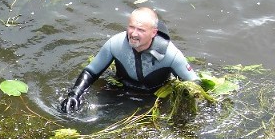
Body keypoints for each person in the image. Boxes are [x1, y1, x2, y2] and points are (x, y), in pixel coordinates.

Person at [60, 7, 199, 113]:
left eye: (141, 30)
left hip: (154, 98)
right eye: (131, 27)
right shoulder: (116, 44)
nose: (133, 34)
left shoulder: (171, 55)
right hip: (120, 89)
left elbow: (195, 84)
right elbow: (91, 72)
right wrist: (75, 94)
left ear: (154, 33)